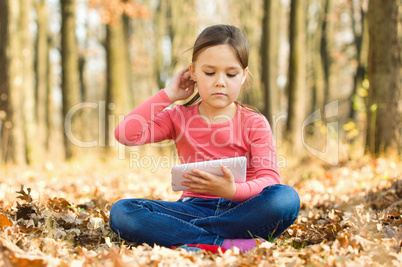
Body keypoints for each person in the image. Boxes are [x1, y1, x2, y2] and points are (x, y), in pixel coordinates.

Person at [110, 24, 300, 253]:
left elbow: (269, 179)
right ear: (193, 72)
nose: (220, 81)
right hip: (193, 209)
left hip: (243, 210)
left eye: (231, 74)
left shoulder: (254, 122)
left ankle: (192, 237)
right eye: (209, 73)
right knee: (123, 211)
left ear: (243, 76)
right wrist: (168, 95)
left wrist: (232, 191)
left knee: (285, 198)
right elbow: (126, 134)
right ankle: (224, 244)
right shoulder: (177, 116)